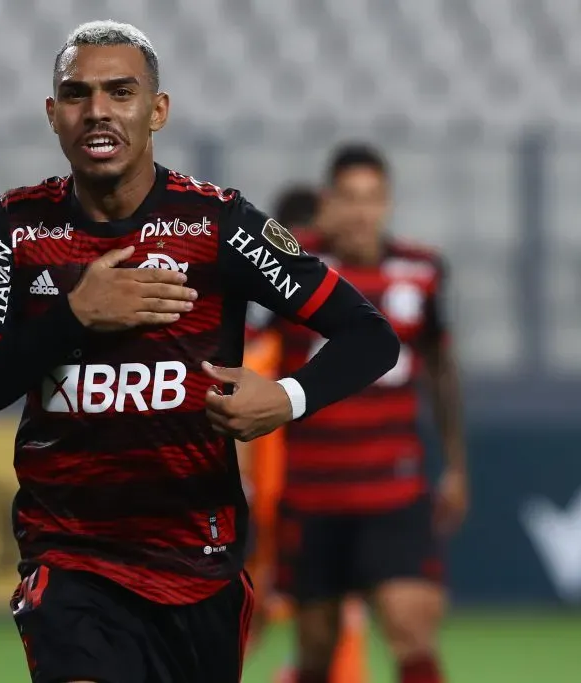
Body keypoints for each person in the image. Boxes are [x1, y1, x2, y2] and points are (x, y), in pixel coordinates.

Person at [0, 22, 400, 683]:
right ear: (53, 115)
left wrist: (289, 398)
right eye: (76, 94)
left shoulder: (217, 225)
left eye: (120, 91)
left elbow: (370, 334)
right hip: (71, 556)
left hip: (198, 562)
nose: (97, 109)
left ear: (157, 110)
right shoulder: (20, 227)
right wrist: (72, 316)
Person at [245, 144, 468, 683]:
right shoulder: (294, 272)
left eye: (373, 198)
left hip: (394, 492)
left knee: (411, 627)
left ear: (388, 203)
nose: (362, 211)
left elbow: (440, 368)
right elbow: (248, 355)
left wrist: (457, 466)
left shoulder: (422, 270)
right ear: (330, 202)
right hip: (314, 496)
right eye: (350, 197)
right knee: (317, 652)